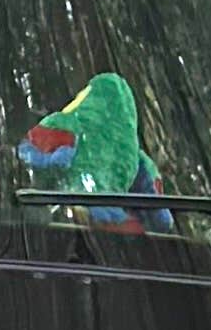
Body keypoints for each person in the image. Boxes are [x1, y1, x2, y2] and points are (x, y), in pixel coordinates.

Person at [18, 71, 164, 228]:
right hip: (111, 225)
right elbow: (157, 206)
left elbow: (33, 152)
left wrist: (47, 159)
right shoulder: (135, 154)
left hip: (83, 212)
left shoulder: (71, 122)